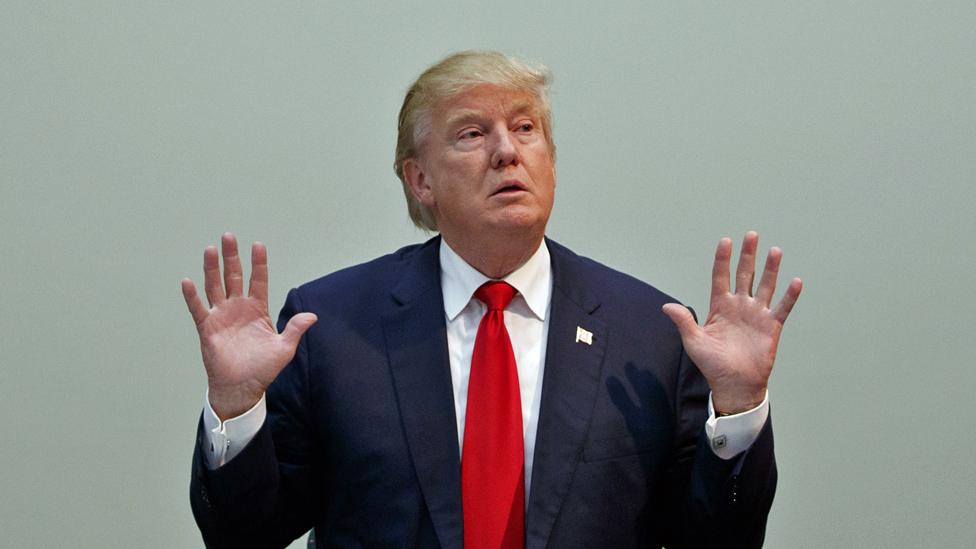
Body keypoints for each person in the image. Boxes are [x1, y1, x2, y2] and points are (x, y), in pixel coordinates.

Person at [183, 50, 802, 548]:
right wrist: (236, 411)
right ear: (420, 180)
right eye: (473, 133)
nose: (507, 150)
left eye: (525, 128)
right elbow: (247, 538)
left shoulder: (650, 332)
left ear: (551, 163)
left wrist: (741, 407)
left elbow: (715, 539)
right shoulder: (334, 326)